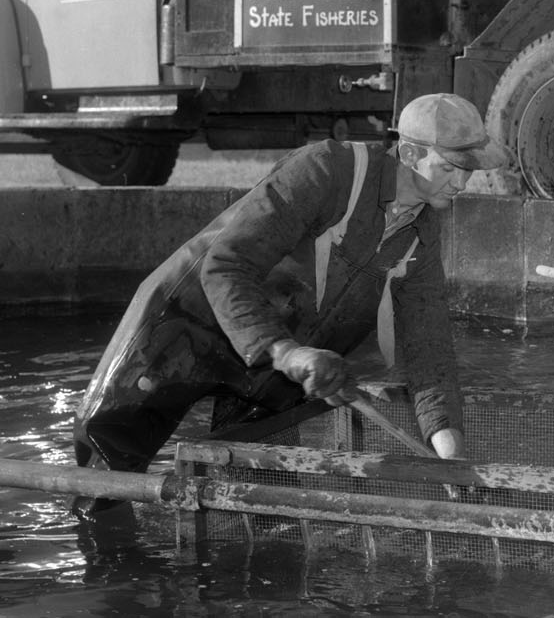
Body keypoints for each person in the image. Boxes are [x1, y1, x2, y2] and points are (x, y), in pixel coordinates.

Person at [74, 93, 510, 493]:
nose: (462, 184)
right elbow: (227, 266)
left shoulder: (420, 237)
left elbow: (430, 353)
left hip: (280, 369)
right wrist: (284, 351)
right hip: (185, 326)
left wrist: (450, 454)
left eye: (468, 171)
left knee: (267, 505)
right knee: (106, 473)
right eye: (451, 168)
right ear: (411, 153)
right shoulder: (326, 169)